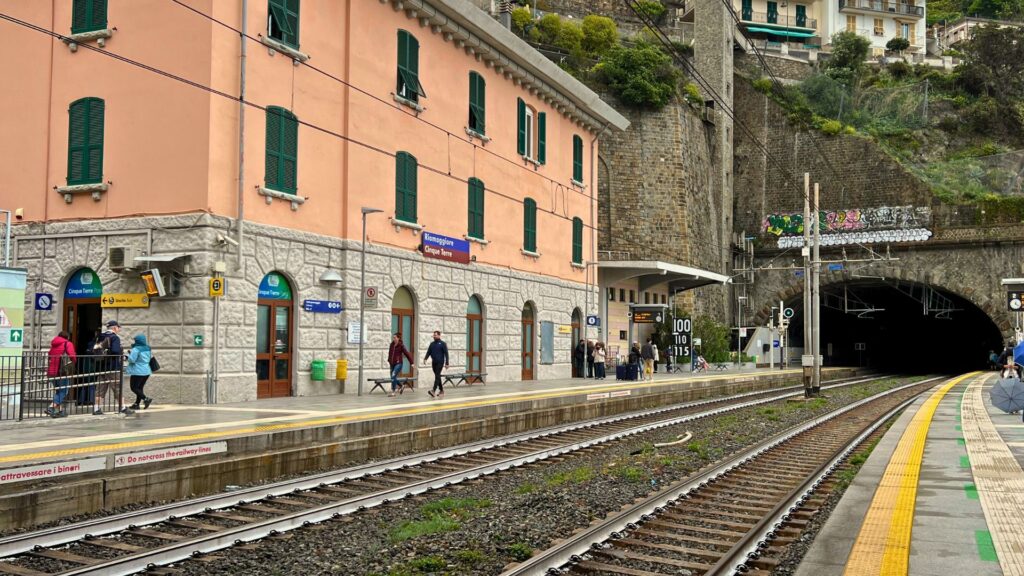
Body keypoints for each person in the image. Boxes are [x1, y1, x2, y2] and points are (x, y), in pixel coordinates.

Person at [93, 320, 133, 416]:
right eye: (118, 328)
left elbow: (95, 349)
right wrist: (122, 354)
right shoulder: (115, 338)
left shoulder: (100, 336)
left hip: (101, 367)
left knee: (100, 388)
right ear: (115, 328)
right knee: (117, 388)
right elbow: (115, 351)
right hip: (112, 367)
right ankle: (122, 408)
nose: (119, 329)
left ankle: (96, 409)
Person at [44, 331, 76, 418]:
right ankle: (51, 407)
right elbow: (72, 355)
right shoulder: (67, 343)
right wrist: (73, 363)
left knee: (59, 391)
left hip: (51, 371)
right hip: (61, 371)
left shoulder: (54, 344)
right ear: (67, 337)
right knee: (64, 390)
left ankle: (59, 411)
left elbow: (49, 355)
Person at [126, 333, 154, 410]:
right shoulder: (148, 348)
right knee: (140, 388)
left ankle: (146, 399)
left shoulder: (136, 349)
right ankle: (136, 404)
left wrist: (128, 356)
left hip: (138, 371)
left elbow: (132, 360)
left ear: (137, 341)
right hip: (147, 371)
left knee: (134, 388)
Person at [422, 330, 449, 398]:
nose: (434, 336)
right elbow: (428, 352)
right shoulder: (432, 344)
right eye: (434, 335)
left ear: (439, 336)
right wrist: (425, 358)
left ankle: (433, 390)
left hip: (440, 362)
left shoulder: (443, 343)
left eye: (435, 335)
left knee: (437, 375)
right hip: (434, 362)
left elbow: (446, 354)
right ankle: (442, 390)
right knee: (438, 376)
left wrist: (447, 363)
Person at [387, 333, 414, 397]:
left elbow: (407, 354)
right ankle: (401, 386)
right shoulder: (392, 344)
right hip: (392, 363)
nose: (393, 339)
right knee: (393, 378)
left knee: (393, 375)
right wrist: (389, 360)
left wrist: (411, 363)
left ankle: (393, 392)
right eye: (393, 337)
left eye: (395, 337)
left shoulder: (401, 345)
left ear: (398, 338)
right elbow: (390, 353)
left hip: (398, 363)